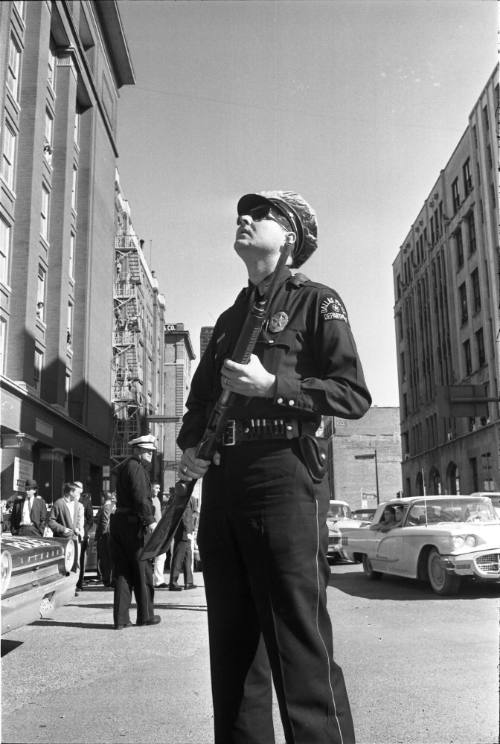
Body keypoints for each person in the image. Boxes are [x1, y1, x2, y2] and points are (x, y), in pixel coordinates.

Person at [177, 191, 371, 744]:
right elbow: (197, 405)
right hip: (225, 482)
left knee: (298, 645)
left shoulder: (317, 302)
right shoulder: (229, 319)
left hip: (283, 475)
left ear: (289, 236)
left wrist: (275, 385)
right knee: (234, 655)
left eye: (260, 214)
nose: (244, 218)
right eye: (244, 211)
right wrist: (192, 447)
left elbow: (353, 394)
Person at [109, 434, 160, 629]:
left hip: (120, 523)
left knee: (122, 572)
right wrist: (150, 521)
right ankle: (146, 616)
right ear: (137, 450)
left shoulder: (124, 467)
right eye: (147, 451)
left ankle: (121, 619)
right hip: (134, 525)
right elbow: (141, 498)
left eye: (151, 452)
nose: (150, 455)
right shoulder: (137, 468)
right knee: (142, 570)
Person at [48, 482, 84, 589]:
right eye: (77, 492)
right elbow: (51, 521)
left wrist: (78, 529)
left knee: (75, 564)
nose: (79, 495)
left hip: (74, 539)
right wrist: (63, 529)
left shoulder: (77, 504)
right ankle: (62, 588)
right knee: (64, 564)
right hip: (62, 540)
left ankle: (73, 587)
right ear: (71, 492)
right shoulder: (59, 503)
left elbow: (78, 520)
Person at [168, 495, 197, 591]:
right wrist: (188, 531)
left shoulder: (188, 497)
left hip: (187, 531)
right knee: (178, 557)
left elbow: (192, 515)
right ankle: (173, 582)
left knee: (188, 557)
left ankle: (189, 582)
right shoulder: (184, 497)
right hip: (183, 532)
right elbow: (184, 515)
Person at [73, 481, 94, 592]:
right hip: (70, 535)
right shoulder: (68, 500)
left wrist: (84, 531)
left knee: (81, 559)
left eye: (78, 487)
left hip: (82, 536)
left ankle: (79, 583)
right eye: (74, 486)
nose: (76, 488)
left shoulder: (85, 501)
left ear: (81, 490)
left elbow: (90, 520)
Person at [95, 492, 116, 587]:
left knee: (107, 560)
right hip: (106, 537)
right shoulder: (108, 507)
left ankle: (108, 579)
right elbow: (105, 524)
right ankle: (108, 580)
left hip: (106, 536)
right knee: (107, 560)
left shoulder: (108, 506)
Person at [150, 482, 168, 588]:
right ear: (151, 488)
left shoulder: (156, 500)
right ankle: (157, 580)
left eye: (159, 488)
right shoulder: (148, 499)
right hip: (151, 529)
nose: (159, 490)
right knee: (157, 555)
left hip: (158, 529)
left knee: (161, 555)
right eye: (156, 488)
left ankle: (158, 580)